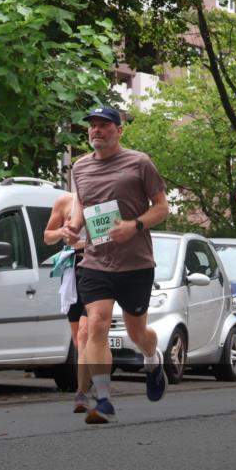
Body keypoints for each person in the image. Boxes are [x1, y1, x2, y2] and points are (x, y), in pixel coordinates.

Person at [64, 106, 168, 424]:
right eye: (92, 125)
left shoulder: (139, 163)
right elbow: (82, 202)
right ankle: (104, 400)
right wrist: (73, 226)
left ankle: (152, 358)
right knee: (96, 323)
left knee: (138, 333)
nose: (96, 130)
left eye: (104, 125)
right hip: (96, 260)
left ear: (119, 130)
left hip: (136, 263)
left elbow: (162, 207)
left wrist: (133, 226)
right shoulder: (80, 168)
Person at [43, 191, 91, 413]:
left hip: (97, 268)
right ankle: (91, 374)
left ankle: (82, 391)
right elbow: (47, 236)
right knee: (78, 337)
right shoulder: (64, 202)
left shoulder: (105, 198)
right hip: (72, 269)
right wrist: (62, 231)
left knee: (85, 332)